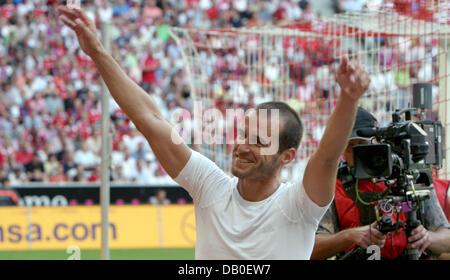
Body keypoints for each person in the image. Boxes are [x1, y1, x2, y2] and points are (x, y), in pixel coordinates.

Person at [57, 6, 370, 259]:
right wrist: (97, 50)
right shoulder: (211, 186)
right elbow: (150, 119)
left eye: (260, 141)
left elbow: (327, 157)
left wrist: (349, 99)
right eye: (244, 134)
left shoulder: (299, 204)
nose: (244, 146)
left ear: (287, 156)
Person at [311, 107, 450, 260]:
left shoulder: (409, 176)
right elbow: (312, 249)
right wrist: (350, 236)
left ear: (378, 141)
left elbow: (445, 237)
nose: (359, 153)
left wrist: (428, 238)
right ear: (341, 151)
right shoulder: (333, 186)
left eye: (363, 144)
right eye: (351, 146)